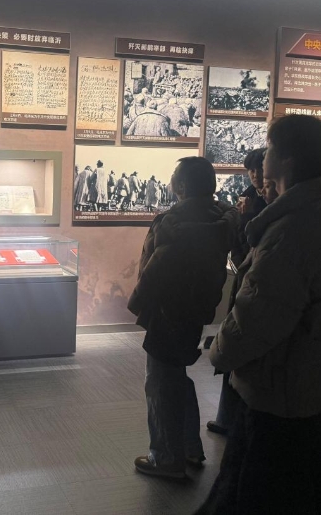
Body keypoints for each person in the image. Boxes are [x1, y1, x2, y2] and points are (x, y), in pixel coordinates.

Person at [198, 115, 321, 514]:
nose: (264, 157)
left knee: (262, 493)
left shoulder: (293, 230)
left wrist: (219, 353)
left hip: (286, 393)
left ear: (288, 159)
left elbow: (258, 318)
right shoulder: (318, 215)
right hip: (308, 385)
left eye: (270, 148)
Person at [128, 157, 239, 479]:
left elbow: (155, 270)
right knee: (177, 376)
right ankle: (189, 447)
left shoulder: (172, 223)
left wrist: (138, 302)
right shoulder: (222, 218)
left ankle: (166, 457)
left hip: (167, 310)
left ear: (182, 185)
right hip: (197, 308)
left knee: (160, 382)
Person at [206, 148, 268, 438]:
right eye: (251, 170)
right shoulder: (249, 196)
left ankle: (235, 420)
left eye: (260, 169)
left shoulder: (267, 203)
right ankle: (227, 417)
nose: (255, 175)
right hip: (245, 279)